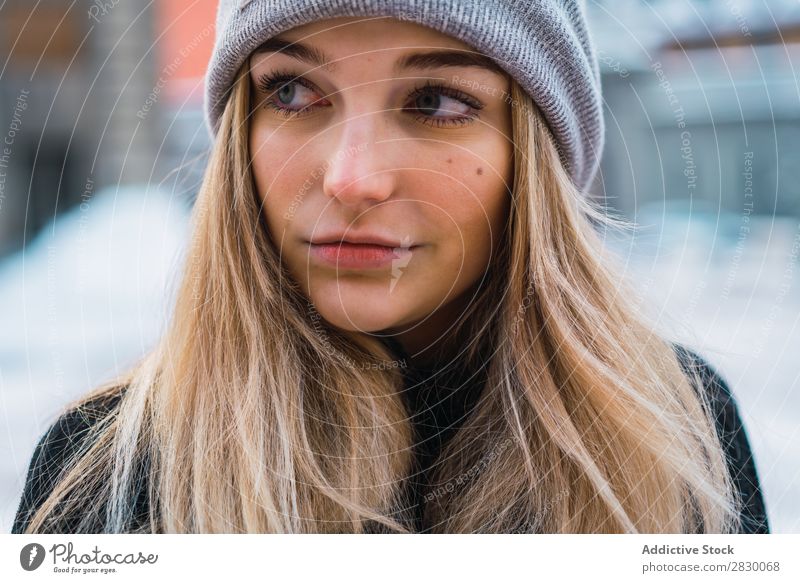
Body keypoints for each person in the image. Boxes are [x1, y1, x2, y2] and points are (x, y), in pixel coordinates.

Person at [13, 1, 769, 534]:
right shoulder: (107, 467)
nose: (351, 178)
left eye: (436, 100)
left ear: (530, 153)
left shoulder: (676, 433)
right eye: (293, 91)